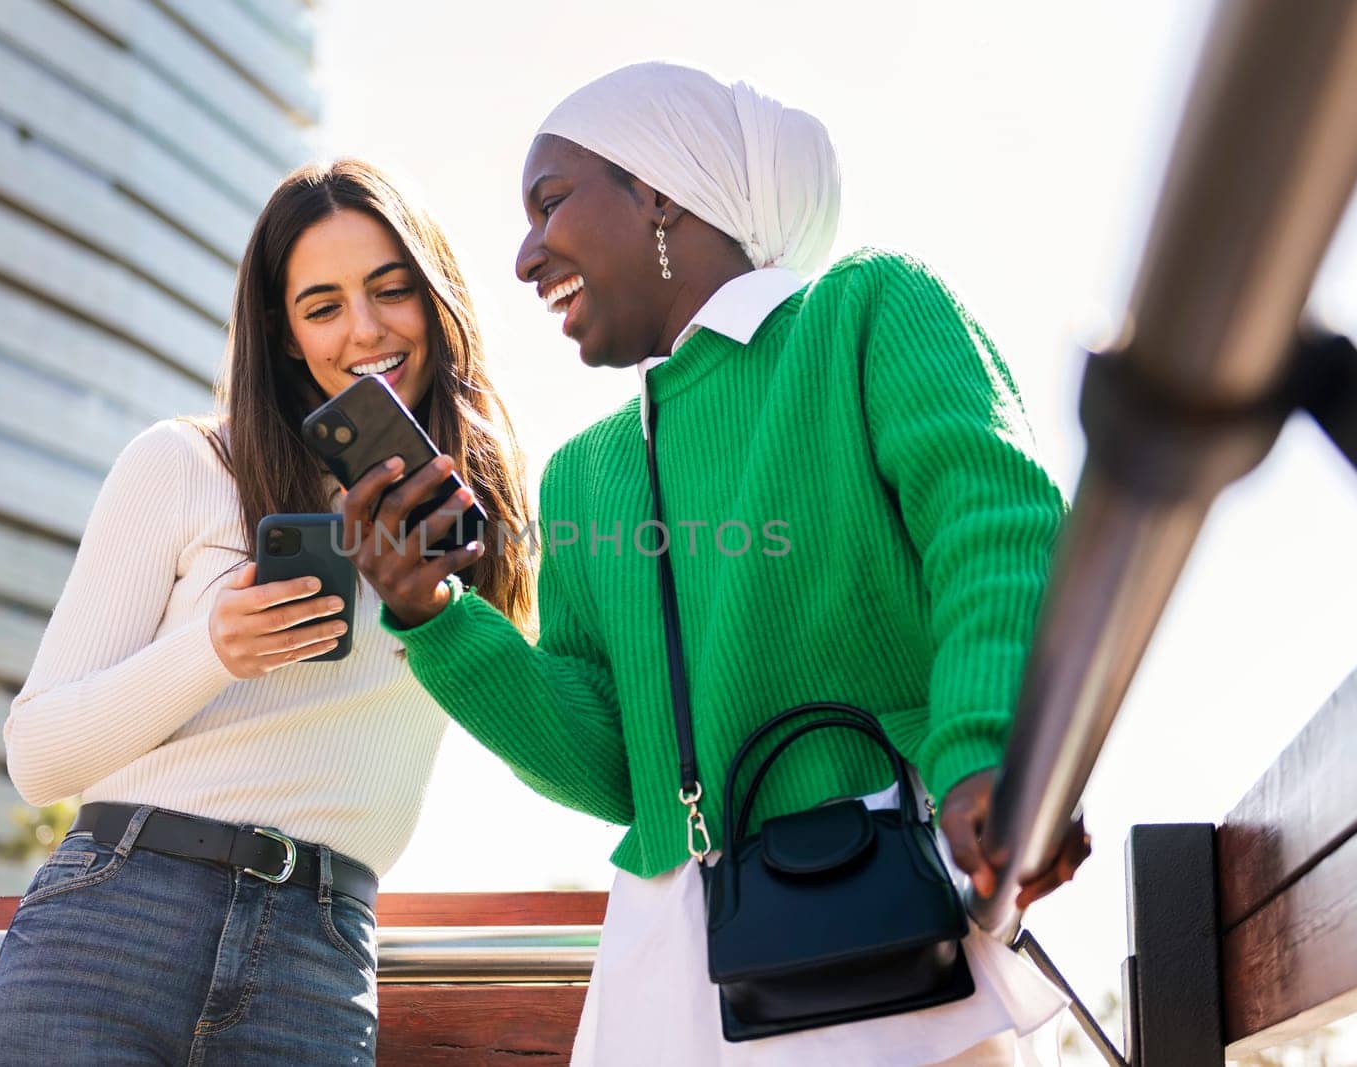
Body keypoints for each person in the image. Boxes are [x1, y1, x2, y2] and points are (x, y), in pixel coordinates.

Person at [342, 63, 1090, 1065]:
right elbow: (618, 763)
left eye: (550, 201)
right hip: (666, 972)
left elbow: (993, 530)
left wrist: (988, 749)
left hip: (878, 927)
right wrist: (435, 615)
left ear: (657, 191)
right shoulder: (586, 473)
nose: (524, 256)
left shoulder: (865, 314)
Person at [0, 159, 533, 1066]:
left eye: (392, 290)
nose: (365, 329)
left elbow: (530, 726)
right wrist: (212, 647)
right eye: (323, 305)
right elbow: (38, 757)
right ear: (283, 331)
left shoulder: (482, 525)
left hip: (320, 954)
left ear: (436, 299)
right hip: (115, 919)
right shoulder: (187, 464)